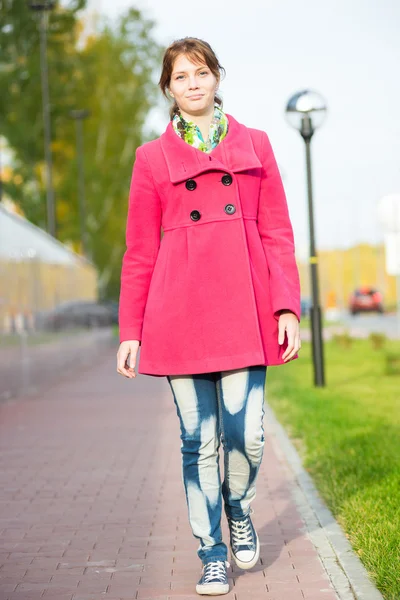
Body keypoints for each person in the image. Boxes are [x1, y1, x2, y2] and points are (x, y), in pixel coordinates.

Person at [117, 37, 301, 596]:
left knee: (246, 437)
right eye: (180, 77)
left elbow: (276, 233)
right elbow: (140, 250)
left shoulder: (257, 145)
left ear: (217, 77)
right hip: (178, 317)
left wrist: (286, 306)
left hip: (244, 312)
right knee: (198, 440)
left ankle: (238, 507)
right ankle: (211, 551)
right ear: (168, 89)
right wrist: (131, 330)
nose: (193, 84)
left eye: (201, 73)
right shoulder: (152, 159)